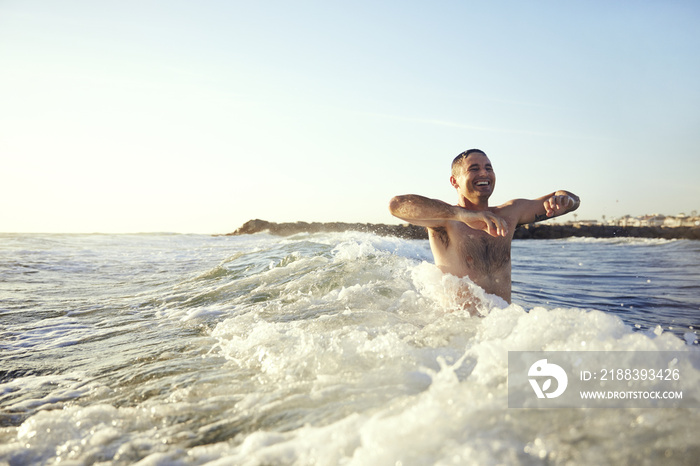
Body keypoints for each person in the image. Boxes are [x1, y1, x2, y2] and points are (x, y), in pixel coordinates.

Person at [389, 148, 580, 306]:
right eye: (474, 168)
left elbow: (572, 202)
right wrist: (462, 215)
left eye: (489, 168)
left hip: (501, 329)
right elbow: (396, 205)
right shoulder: (446, 218)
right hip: (458, 331)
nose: (484, 173)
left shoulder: (510, 213)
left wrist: (564, 198)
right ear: (454, 181)